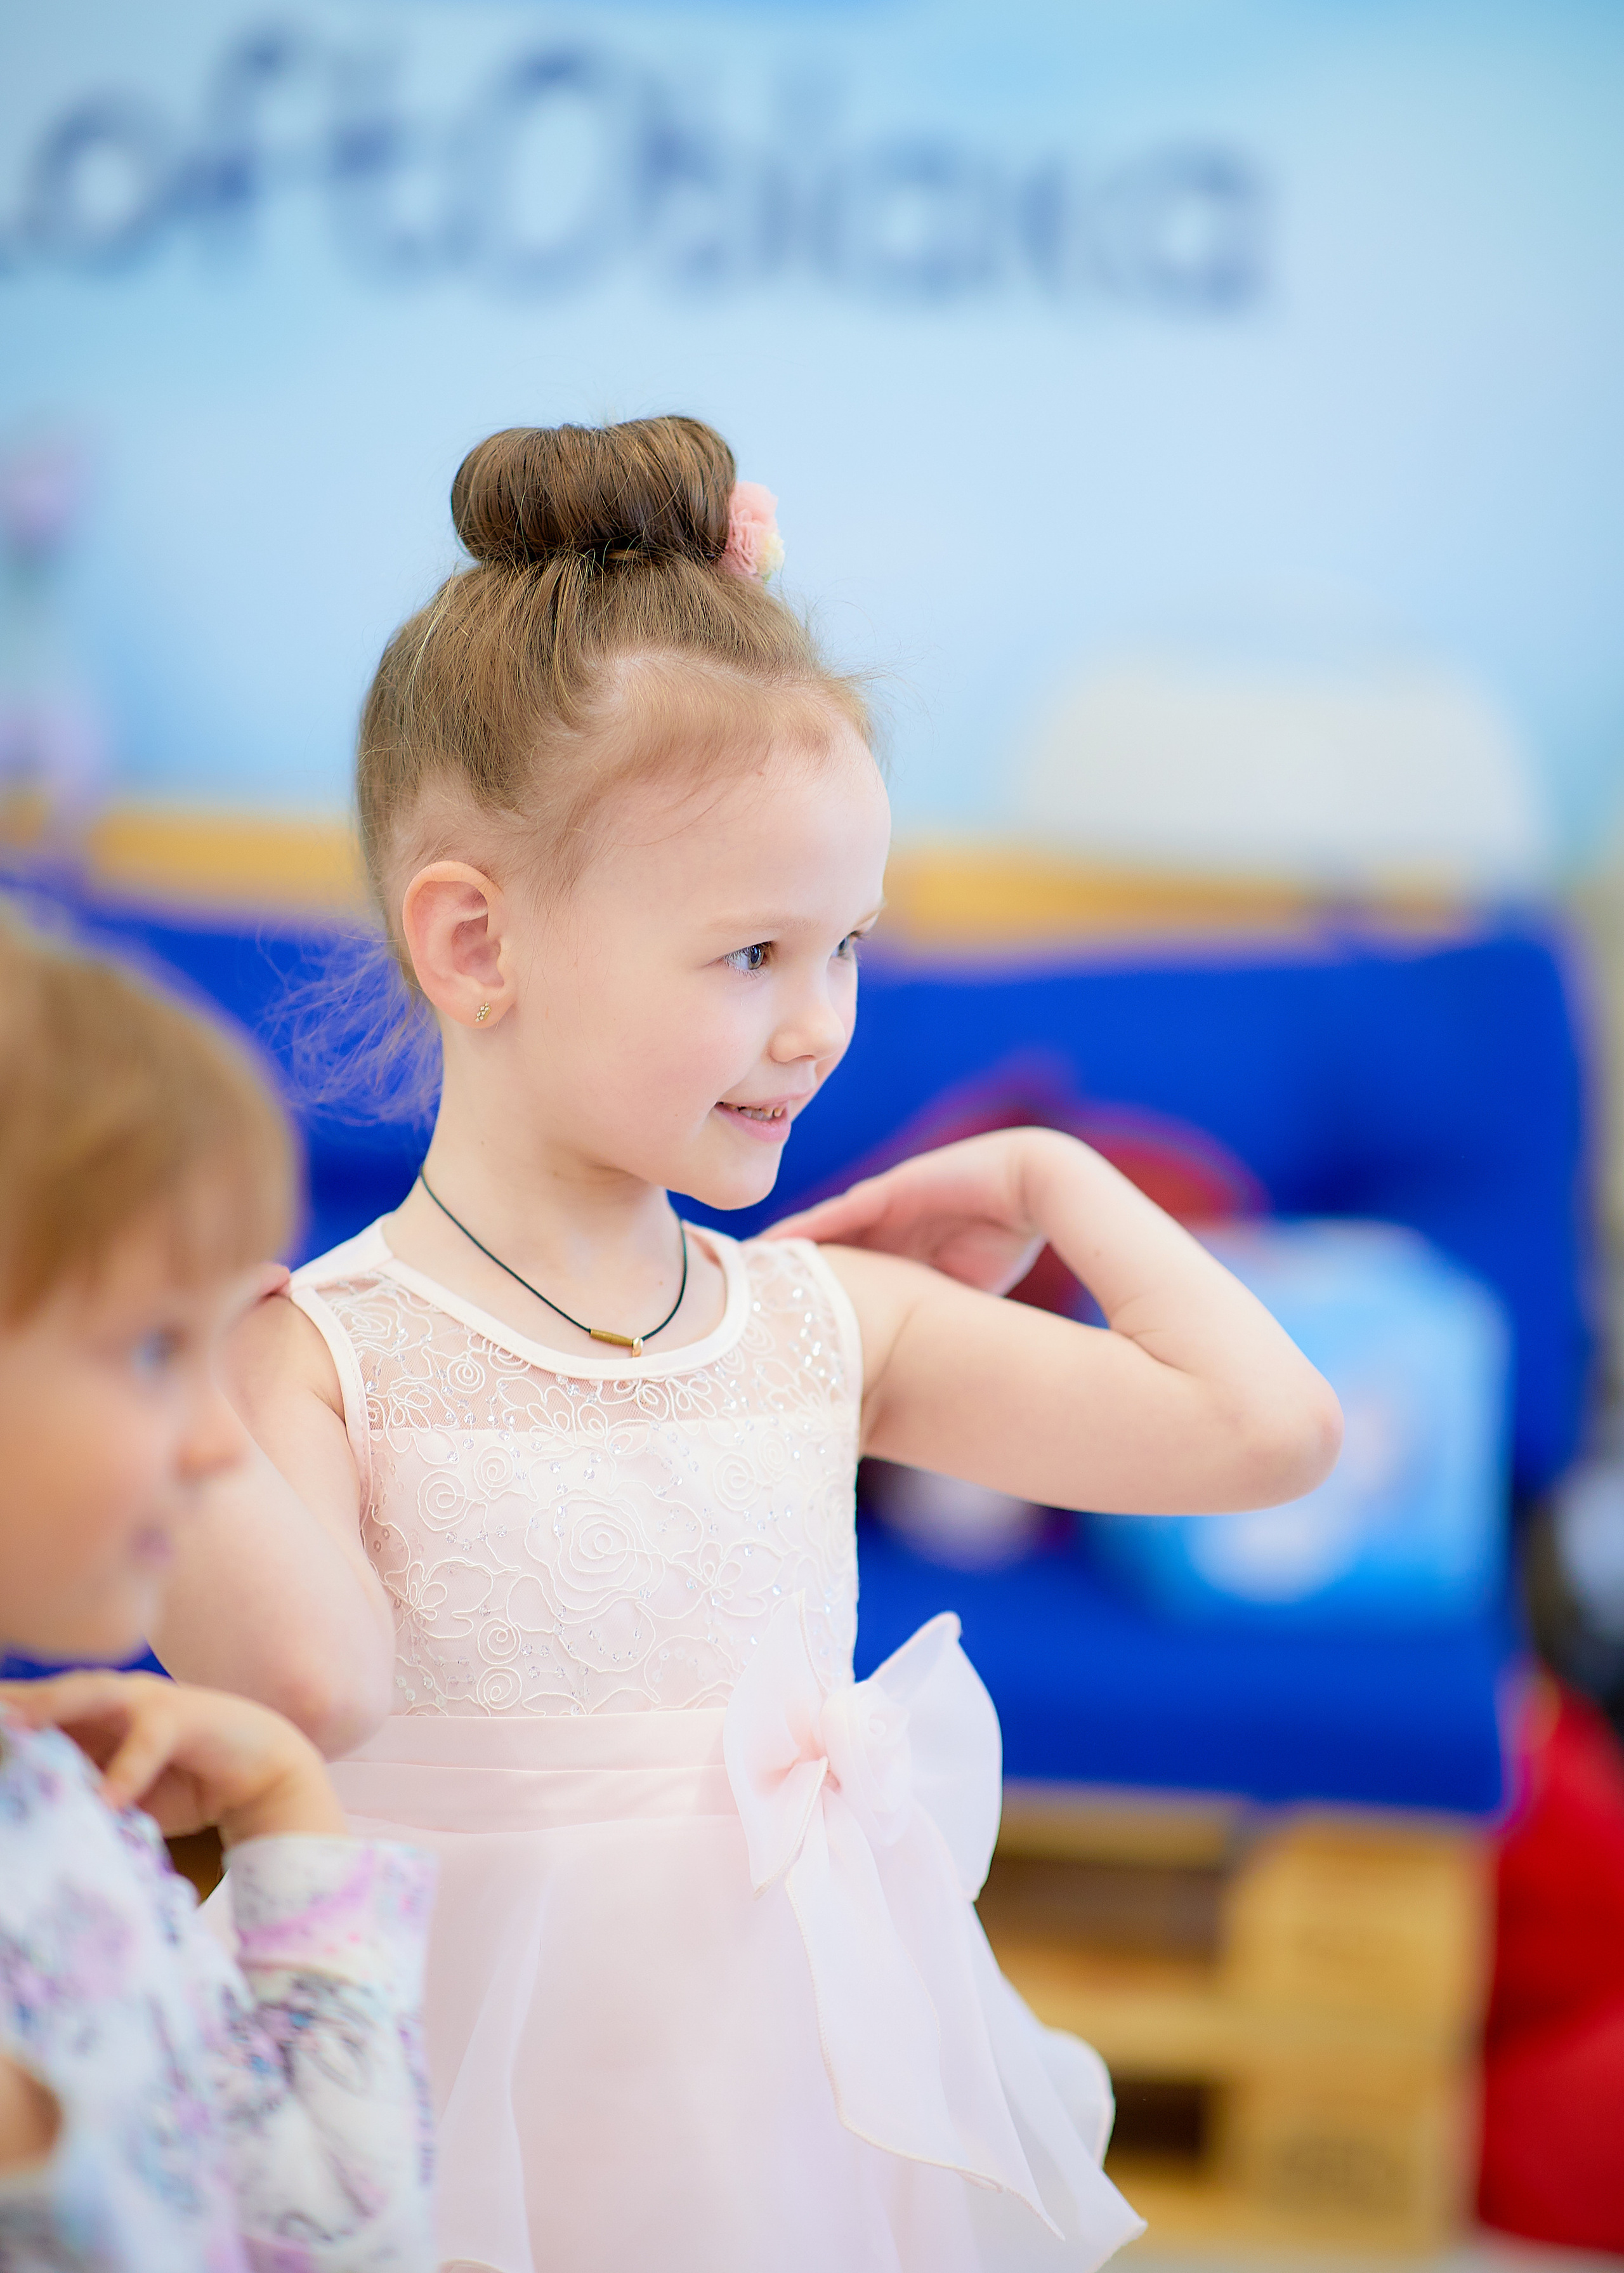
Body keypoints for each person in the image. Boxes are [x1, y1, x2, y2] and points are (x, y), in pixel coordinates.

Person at [154, 416, 1343, 2273]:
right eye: (750, 955)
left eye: (849, 945)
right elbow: (306, 1692)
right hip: (465, 2129)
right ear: (475, 939)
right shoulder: (313, 1358)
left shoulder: (826, 1322)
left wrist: (1059, 1168)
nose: (819, 1028)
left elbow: (1267, 1434)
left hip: (799, 2133)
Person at [0, 911, 438, 2270]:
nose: (215, 1443)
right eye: (151, 1351)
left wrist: (281, 1805)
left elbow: (336, 2235)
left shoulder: (59, 1819)